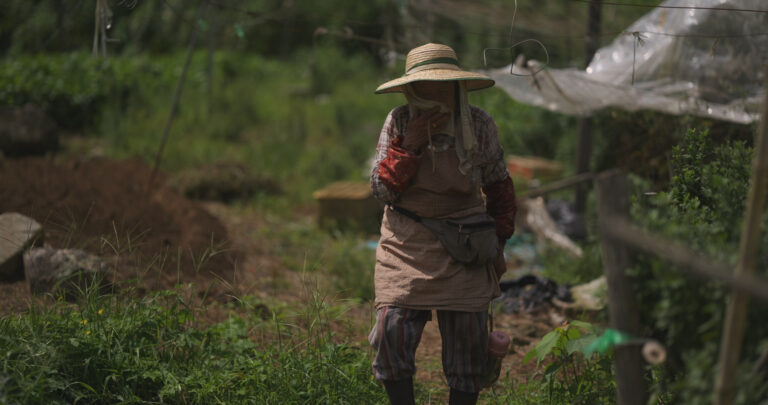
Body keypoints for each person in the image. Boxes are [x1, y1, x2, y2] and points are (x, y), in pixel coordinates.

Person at [368, 43, 517, 405]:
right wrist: (411, 144)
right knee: (390, 333)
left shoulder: (479, 123)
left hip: (465, 240)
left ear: (457, 87)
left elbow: (499, 186)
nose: (434, 96)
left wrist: (498, 245)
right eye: (425, 88)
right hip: (406, 240)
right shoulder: (399, 121)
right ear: (412, 90)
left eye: (442, 87)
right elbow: (382, 190)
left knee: (469, 345)